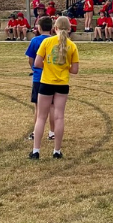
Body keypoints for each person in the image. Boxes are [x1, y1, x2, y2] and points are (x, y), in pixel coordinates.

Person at [31, 20, 79, 160]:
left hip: (46, 82)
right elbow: (75, 70)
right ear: (69, 29)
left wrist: (49, 66)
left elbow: (37, 63)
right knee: (59, 117)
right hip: (62, 83)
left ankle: (36, 150)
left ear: (55, 28)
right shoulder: (72, 45)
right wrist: (64, 67)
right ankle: (57, 151)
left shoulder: (47, 42)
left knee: (41, 117)